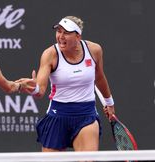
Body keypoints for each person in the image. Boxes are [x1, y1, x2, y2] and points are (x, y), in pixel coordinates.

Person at [18, 16, 115, 152]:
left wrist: (109, 103)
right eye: (58, 31)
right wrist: (34, 88)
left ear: (78, 36)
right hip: (57, 115)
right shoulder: (50, 54)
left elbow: (99, 78)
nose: (61, 36)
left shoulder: (94, 50)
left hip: (86, 114)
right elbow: (40, 90)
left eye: (66, 32)